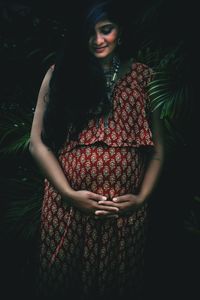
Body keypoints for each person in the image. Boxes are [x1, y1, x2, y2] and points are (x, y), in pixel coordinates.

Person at [29, 1, 164, 299]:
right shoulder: (59, 74)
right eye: (90, 32)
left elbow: (157, 151)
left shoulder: (145, 78)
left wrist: (140, 199)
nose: (98, 40)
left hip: (123, 215)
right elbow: (36, 143)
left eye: (106, 30)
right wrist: (69, 194)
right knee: (62, 285)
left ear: (121, 31)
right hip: (67, 208)